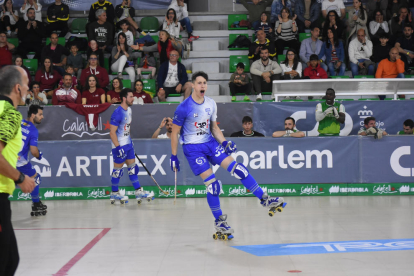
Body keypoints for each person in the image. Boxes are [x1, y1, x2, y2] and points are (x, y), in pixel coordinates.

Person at [170, 71, 286, 240]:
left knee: (239, 169)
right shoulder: (183, 107)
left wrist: (224, 143)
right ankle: (219, 222)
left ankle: (265, 199)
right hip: (193, 149)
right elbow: (174, 133)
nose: (203, 86)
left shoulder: (210, 103)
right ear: (193, 85)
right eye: (199, 83)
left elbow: (214, 128)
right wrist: (173, 156)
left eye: (205, 83)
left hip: (210, 143)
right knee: (213, 186)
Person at [0, 65, 36, 276]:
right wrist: (21, 178)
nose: (28, 90)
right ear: (17, 89)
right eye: (26, 85)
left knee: (11, 260)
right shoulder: (11, 115)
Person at [109, 88, 153, 204]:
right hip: (119, 146)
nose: (133, 98)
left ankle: (138, 191)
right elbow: (112, 132)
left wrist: (129, 141)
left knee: (133, 168)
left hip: (128, 144)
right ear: (124, 98)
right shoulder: (117, 113)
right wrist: (118, 148)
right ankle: (114, 193)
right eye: (131, 97)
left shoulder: (129, 110)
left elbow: (126, 128)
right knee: (117, 171)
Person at [16, 105, 47, 216]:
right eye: (40, 114)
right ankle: (36, 204)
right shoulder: (33, 130)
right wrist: (39, 156)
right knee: (36, 178)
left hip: (7, 159)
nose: (42, 117)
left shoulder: (19, 123)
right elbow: (34, 151)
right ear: (33, 115)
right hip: (20, 163)